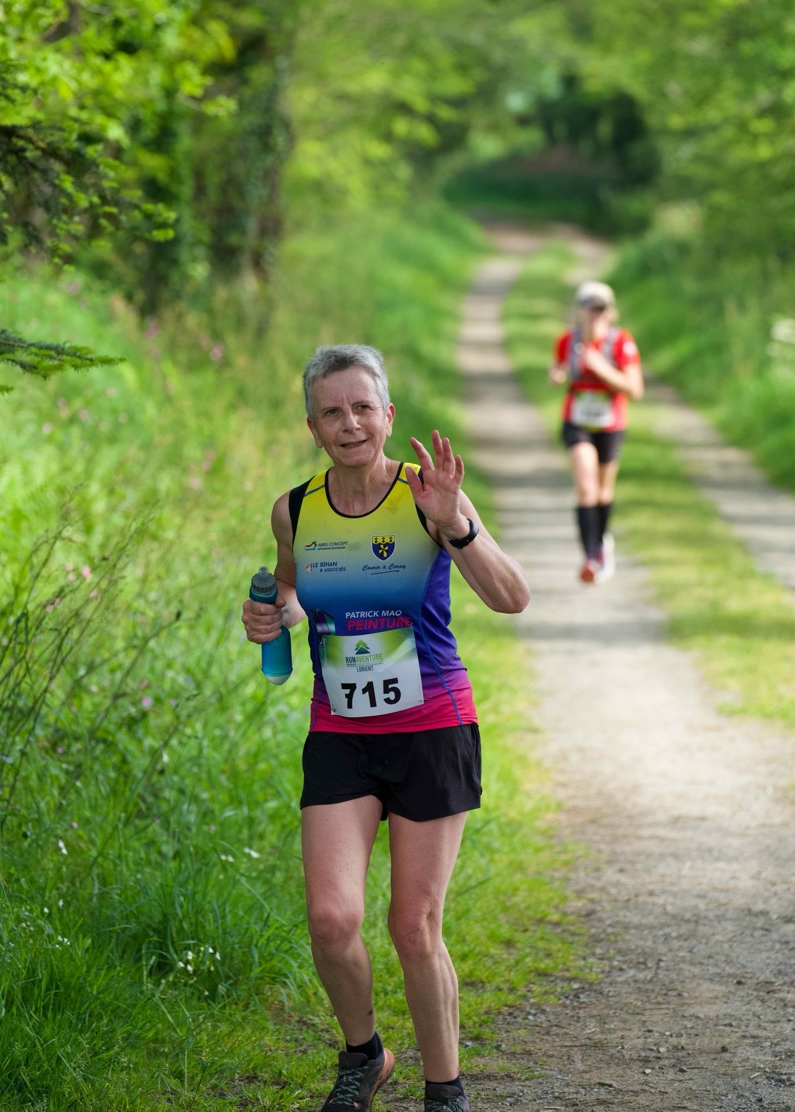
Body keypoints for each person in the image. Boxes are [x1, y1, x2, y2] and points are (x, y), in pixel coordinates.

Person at [241, 344, 529, 1112]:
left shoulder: (427, 495)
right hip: (340, 731)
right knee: (331, 919)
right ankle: (364, 1055)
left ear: (387, 415)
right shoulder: (294, 509)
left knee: (412, 925)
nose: (349, 424)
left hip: (432, 727)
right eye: (331, 412)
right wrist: (271, 614)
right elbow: (293, 593)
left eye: (362, 408)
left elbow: (511, 597)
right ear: (312, 426)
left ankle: (444, 1089)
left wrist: (455, 524)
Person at [548, 280, 644, 585]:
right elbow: (559, 368)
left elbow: (635, 389)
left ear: (610, 312)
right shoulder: (567, 342)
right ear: (579, 311)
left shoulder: (621, 343)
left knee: (603, 492)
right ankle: (589, 557)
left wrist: (601, 368)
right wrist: (557, 374)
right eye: (590, 309)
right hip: (577, 422)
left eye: (601, 309)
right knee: (586, 488)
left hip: (611, 425)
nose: (596, 316)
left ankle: (602, 545)